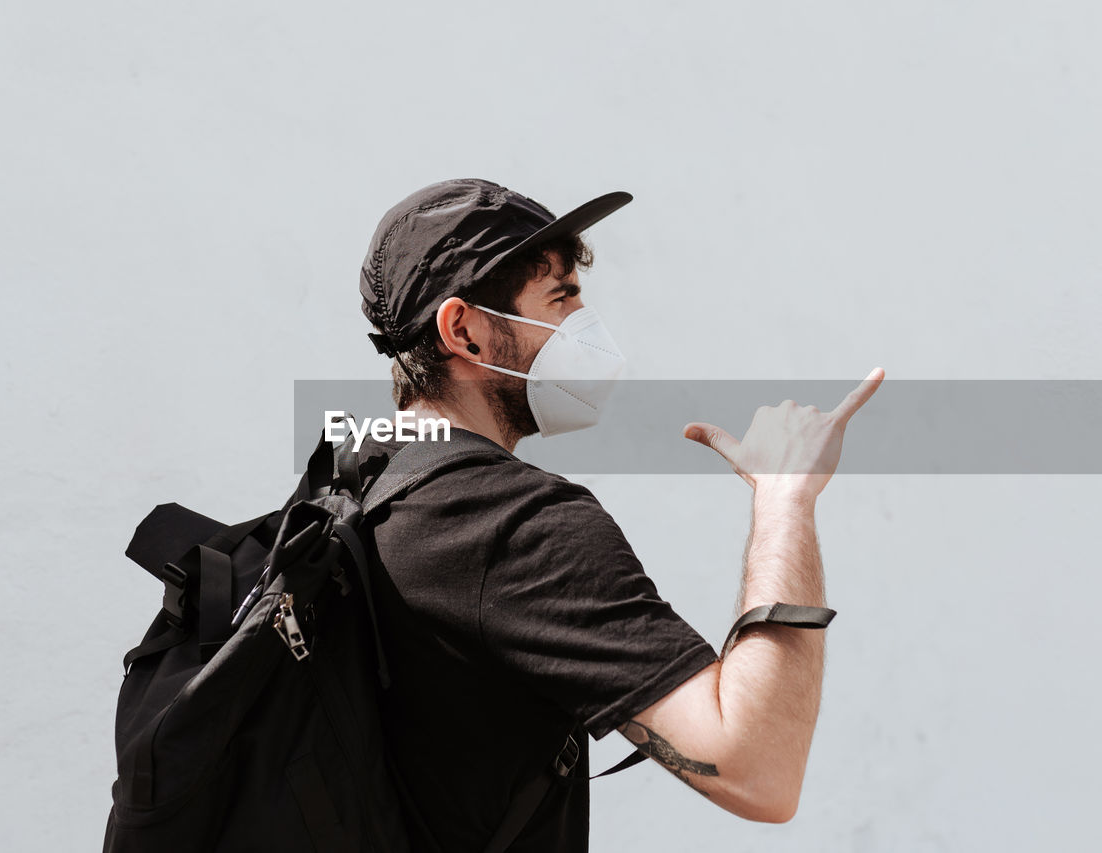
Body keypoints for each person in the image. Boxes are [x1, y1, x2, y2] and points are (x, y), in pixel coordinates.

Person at [354, 177, 883, 852]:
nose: (585, 327)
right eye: (562, 298)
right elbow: (759, 769)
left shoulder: (351, 484)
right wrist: (785, 499)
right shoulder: (515, 525)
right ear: (465, 330)